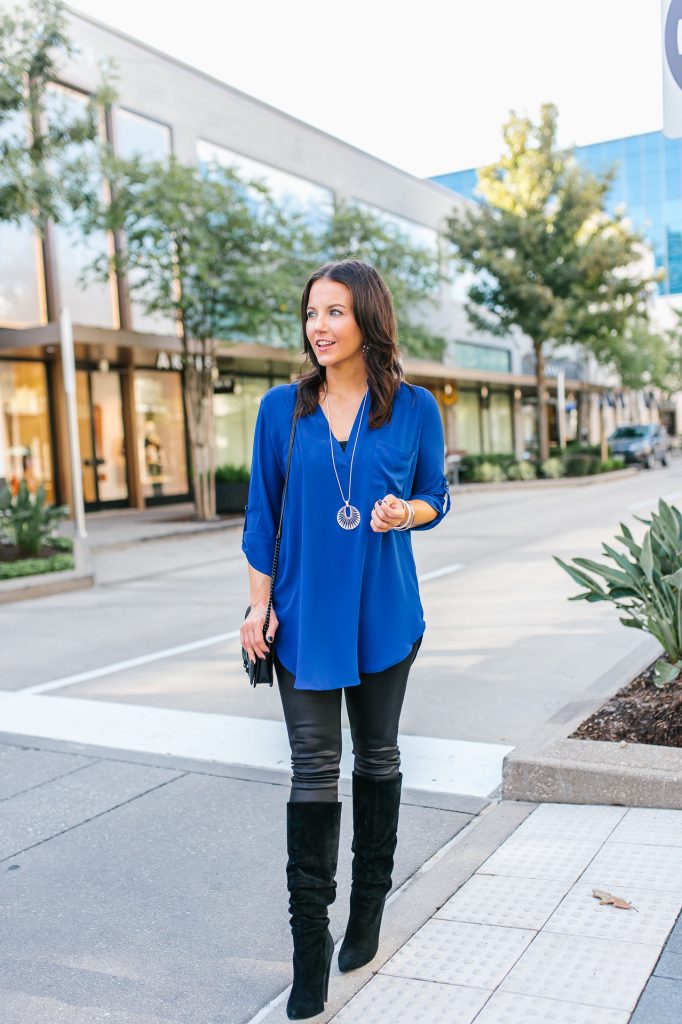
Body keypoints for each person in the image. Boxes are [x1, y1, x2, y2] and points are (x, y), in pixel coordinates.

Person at [240, 258, 451, 1021]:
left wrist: (407, 514)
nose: (318, 327)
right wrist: (257, 607)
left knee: (380, 757)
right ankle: (308, 955)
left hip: (383, 612)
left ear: (366, 317)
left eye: (332, 312)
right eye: (310, 314)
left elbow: (437, 496)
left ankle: (367, 911)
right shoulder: (279, 410)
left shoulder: (415, 408)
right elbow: (261, 518)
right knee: (312, 771)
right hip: (300, 615)